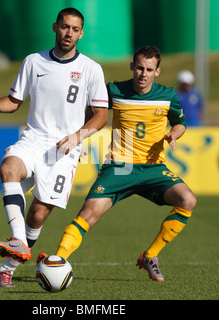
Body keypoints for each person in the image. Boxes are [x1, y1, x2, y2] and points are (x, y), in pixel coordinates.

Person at [0, 7, 108, 287]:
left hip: (65, 150)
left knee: (37, 214)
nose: (68, 33)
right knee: (8, 168)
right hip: (34, 138)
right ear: (54, 27)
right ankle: (19, 241)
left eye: (74, 29)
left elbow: (102, 116)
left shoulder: (91, 69)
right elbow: (14, 102)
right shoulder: (33, 62)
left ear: (81, 34)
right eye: (64, 26)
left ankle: (8, 267)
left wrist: (77, 136)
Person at [52, 46, 197, 282]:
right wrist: (77, 141)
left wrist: (174, 134)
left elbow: (180, 123)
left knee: (188, 200)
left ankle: (150, 256)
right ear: (132, 66)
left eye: (149, 69)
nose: (143, 73)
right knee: (88, 213)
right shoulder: (114, 90)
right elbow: (91, 115)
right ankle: (57, 260)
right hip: (121, 167)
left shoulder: (167, 95)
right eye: (139, 67)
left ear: (157, 71)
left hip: (153, 168)